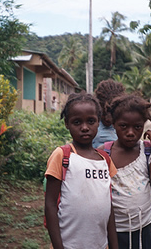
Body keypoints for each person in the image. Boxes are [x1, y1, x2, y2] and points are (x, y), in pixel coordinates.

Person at [45, 91, 119, 249]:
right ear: (67, 123)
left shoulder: (105, 160)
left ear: (98, 122)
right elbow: (50, 204)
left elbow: (108, 206)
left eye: (91, 121)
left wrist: (114, 245)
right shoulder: (62, 156)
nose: (85, 127)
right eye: (77, 122)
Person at [99, 93, 151, 249]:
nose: (130, 132)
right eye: (123, 126)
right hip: (115, 232)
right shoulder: (104, 154)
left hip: (144, 229)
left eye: (137, 127)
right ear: (113, 124)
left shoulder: (147, 151)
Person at [93, 79, 126, 148]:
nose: (107, 119)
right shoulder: (90, 126)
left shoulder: (126, 126)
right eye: (103, 113)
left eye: (112, 114)